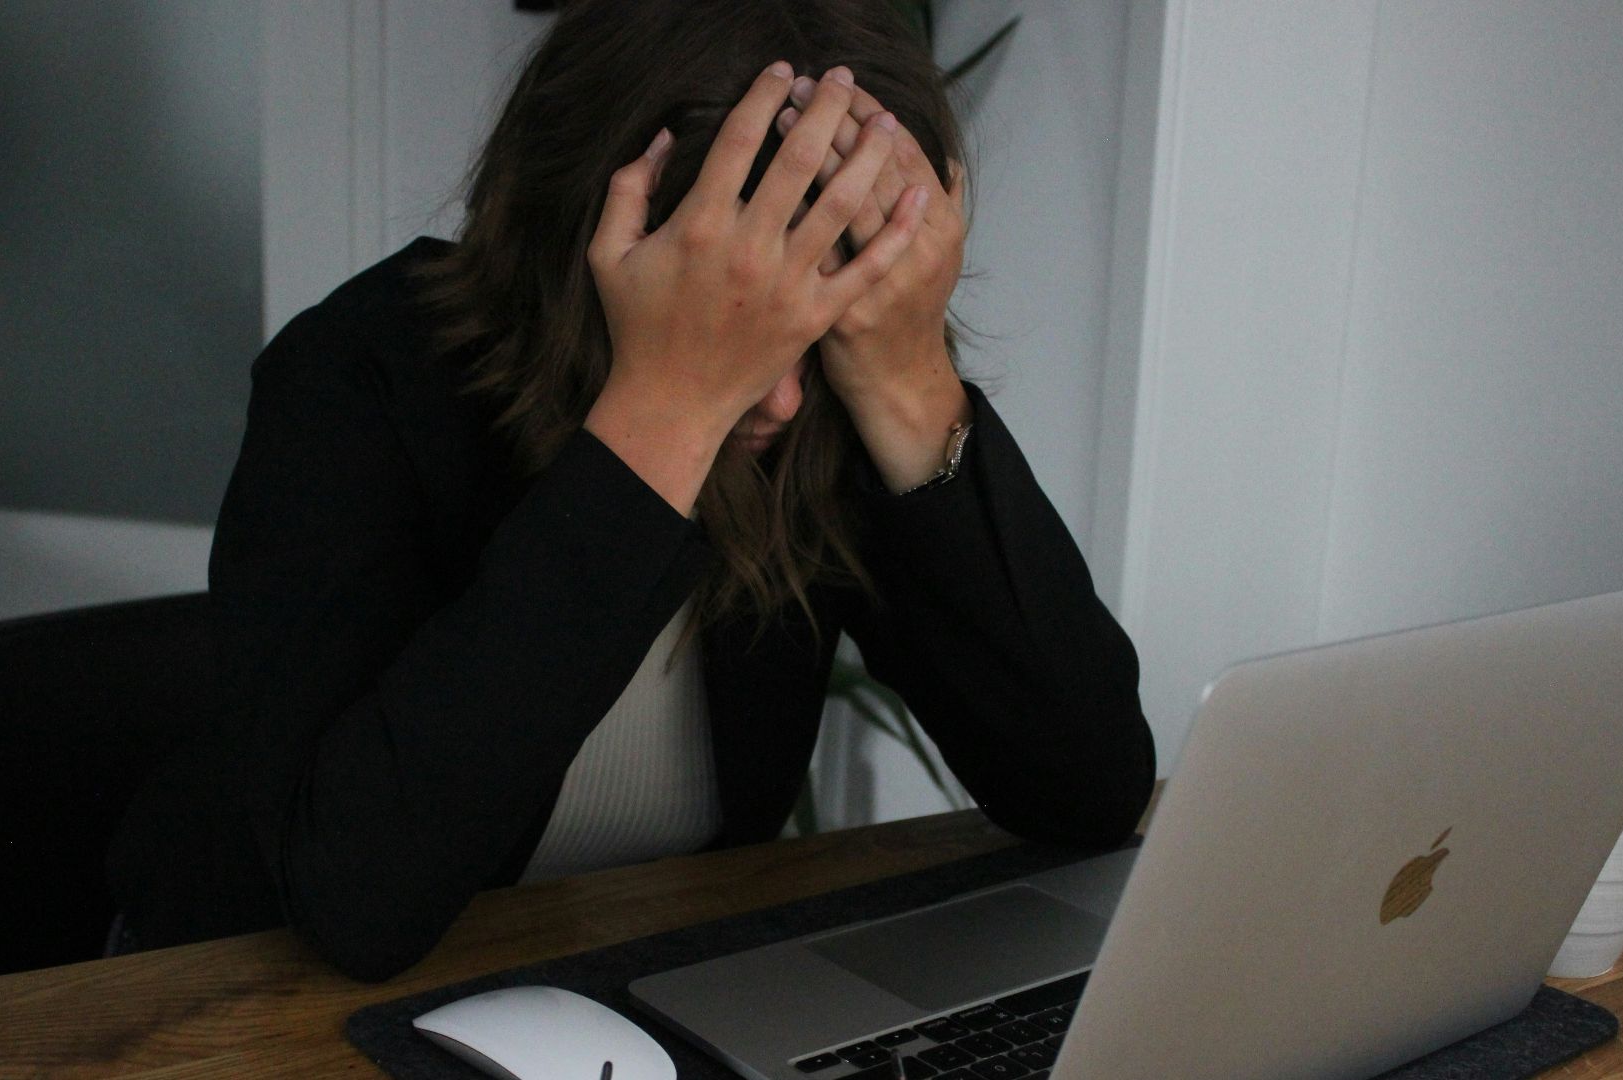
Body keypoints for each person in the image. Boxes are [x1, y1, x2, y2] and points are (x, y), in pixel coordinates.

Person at [106, 0, 1153, 983]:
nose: (780, 398)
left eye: (816, 318)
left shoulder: (835, 398)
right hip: (243, 995)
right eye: (729, 314)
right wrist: (663, 421)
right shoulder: (356, 374)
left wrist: (908, 379)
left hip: (617, 980)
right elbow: (356, 901)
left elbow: (1087, 791)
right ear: (581, 244)